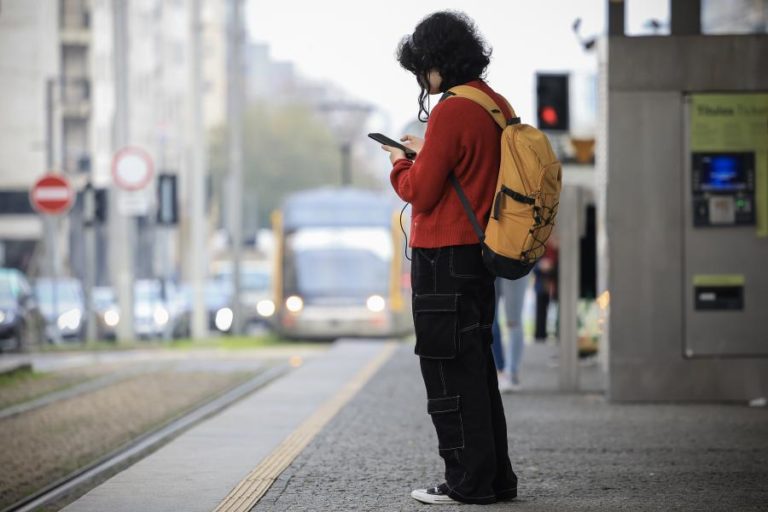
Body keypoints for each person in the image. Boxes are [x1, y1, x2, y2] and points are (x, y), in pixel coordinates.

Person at [382, 11, 518, 505]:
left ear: (437, 61)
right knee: (476, 371)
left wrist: (399, 163)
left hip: (444, 260)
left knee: (448, 372)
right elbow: (469, 168)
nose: (423, 80)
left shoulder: (452, 110)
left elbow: (419, 192)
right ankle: (496, 478)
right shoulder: (493, 104)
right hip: (479, 255)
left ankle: (467, 482)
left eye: (422, 68)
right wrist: (427, 151)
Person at [497, 276, 530, 392]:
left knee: (513, 321)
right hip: (487, 267)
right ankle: (500, 370)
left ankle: (510, 373)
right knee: (487, 319)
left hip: (514, 267)